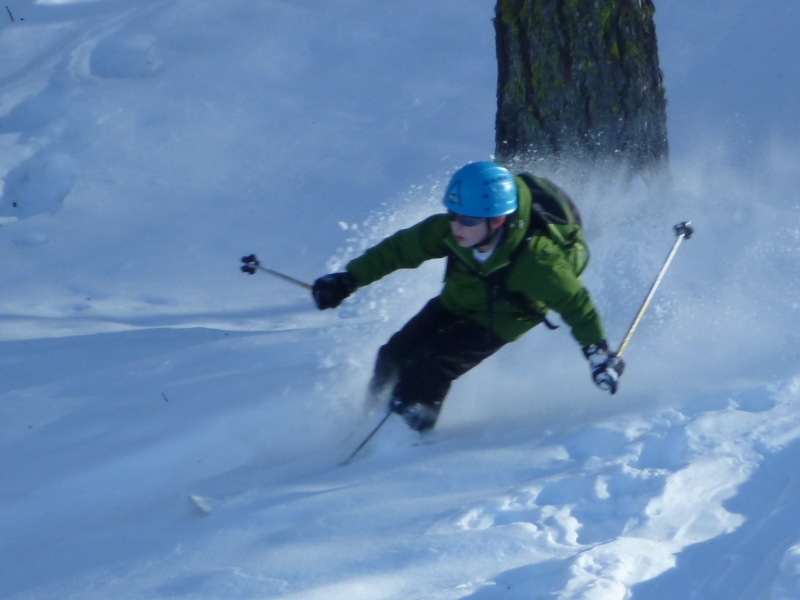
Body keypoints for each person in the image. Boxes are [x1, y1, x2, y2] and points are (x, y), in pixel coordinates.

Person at [311, 161, 624, 432]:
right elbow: (399, 250)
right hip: (457, 299)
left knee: (430, 368)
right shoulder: (452, 231)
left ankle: (403, 438)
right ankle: (369, 421)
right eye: (453, 214)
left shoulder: (538, 262)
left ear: (497, 220)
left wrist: (597, 353)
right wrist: (348, 279)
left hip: (501, 317)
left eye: (469, 220)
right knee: (392, 354)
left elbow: (576, 305)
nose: (457, 226)